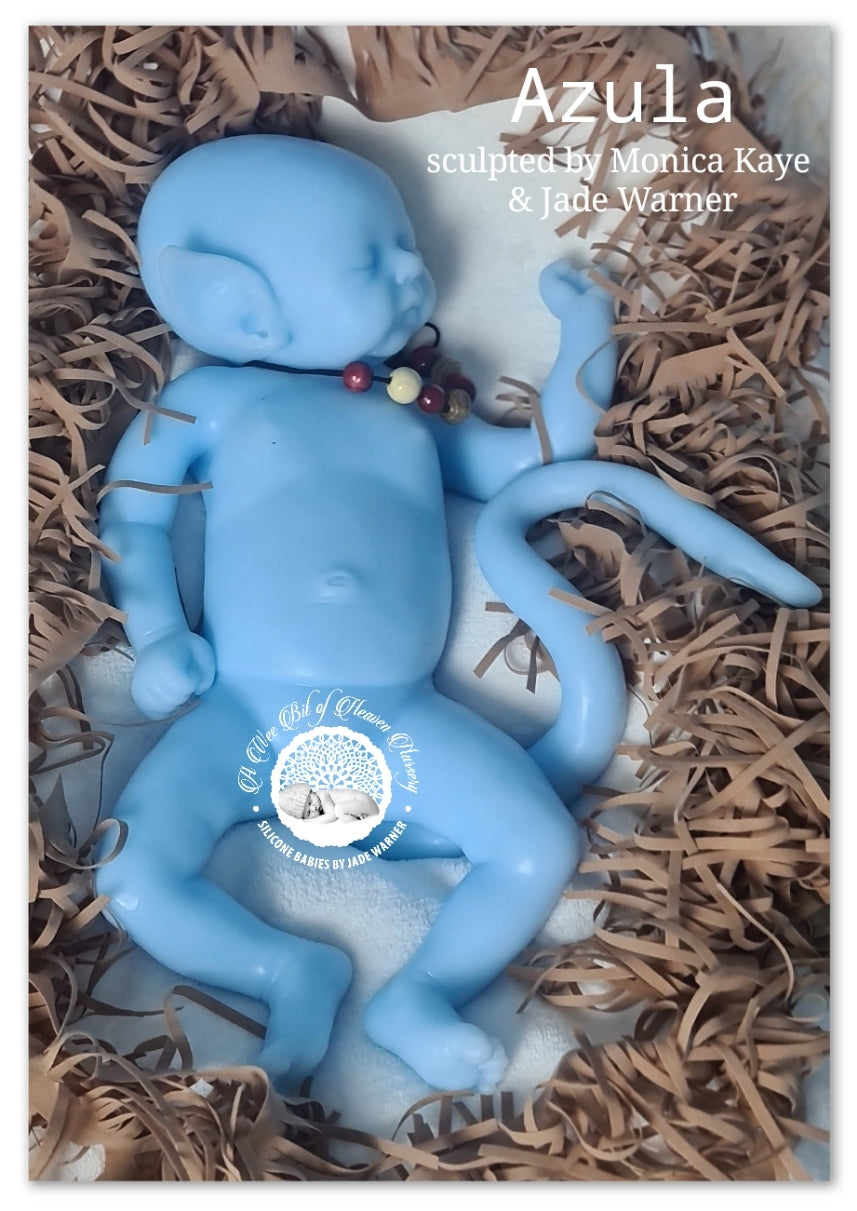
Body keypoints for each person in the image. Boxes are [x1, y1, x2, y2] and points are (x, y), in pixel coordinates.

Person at [96, 135, 819, 1092]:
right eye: (372, 259)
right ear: (238, 306)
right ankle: (283, 970)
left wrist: (584, 333)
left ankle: (420, 994)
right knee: (132, 869)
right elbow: (132, 518)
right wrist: (156, 633)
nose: (413, 272)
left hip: (397, 717)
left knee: (537, 843)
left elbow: (536, 459)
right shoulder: (207, 401)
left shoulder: (413, 409)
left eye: (406, 245)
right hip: (240, 712)